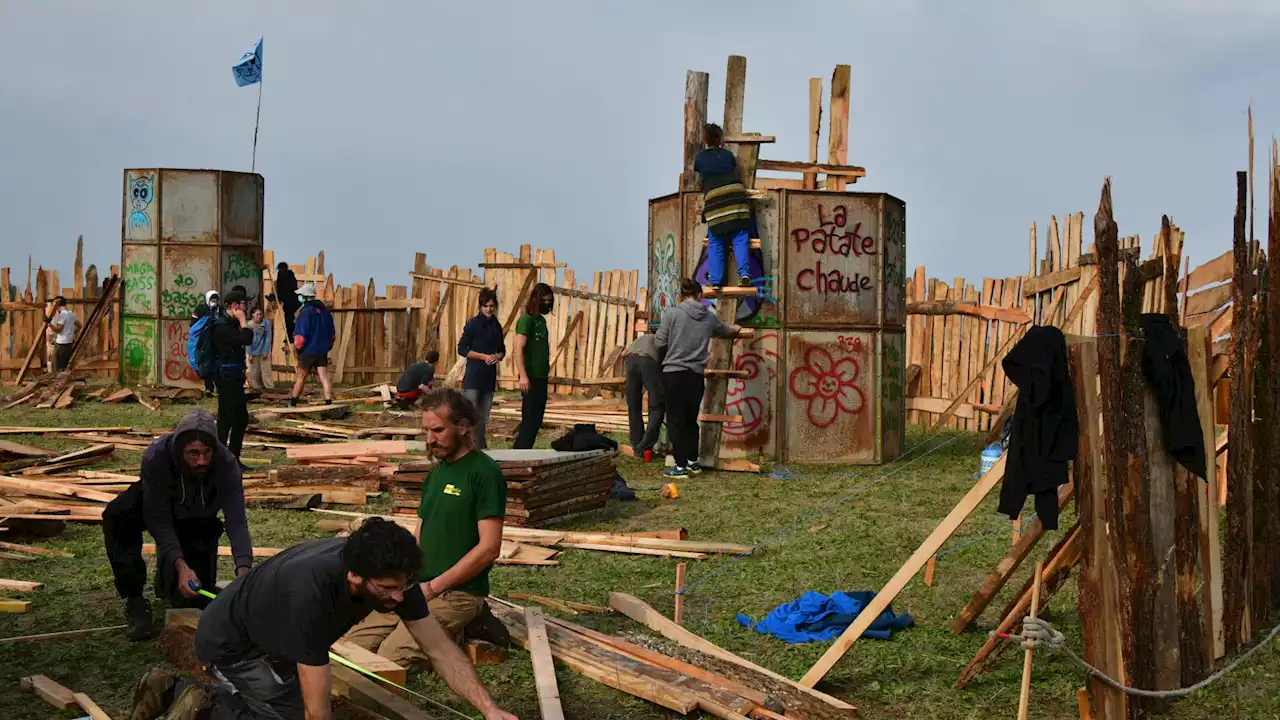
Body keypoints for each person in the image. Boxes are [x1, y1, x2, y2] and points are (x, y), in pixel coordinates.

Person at [124, 518, 517, 720]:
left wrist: (490, 710)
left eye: (405, 585)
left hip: (274, 638)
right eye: (387, 589)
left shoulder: (392, 573)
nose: (400, 598)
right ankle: (190, 699)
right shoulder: (308, 595)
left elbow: (440, 649)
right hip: (231, 646)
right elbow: (317, 711)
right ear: (354, 577)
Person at [345, 389, 506, 667]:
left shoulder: (484, 473)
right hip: (417, 587)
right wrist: (403, 580)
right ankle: (455, 631)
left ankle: (462, 625)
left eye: (438, 430)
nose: (430, 439)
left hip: (458, 593)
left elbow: (489, 548)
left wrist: (433, 587)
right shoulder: (438, 471)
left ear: (463, 426)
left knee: (389, 660)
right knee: (349, 649)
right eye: (427, 431)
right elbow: (420, 532)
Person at [101, 409, 253, 641]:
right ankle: (135, 600)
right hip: (157, 503)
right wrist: (181, 565)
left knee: (193, 593)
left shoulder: (226, 463)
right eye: (193, 453)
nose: (201, 460)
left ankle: (167, 577)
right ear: (180, 450)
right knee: (117, 515)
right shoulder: (157, 456)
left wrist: (244, 572)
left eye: (207, 453)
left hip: (197, 516)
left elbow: (237, 520)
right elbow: (157, 518)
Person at [655, 278, 741, 478]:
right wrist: (737, 328)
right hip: (695, 375)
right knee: (691, 420)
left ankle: (680, 466)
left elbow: (660, 342)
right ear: (700, 296)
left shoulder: (672, 314)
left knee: (675, 420)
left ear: (681, 295)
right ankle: (694, 462)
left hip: (673, 373)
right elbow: (726, 330)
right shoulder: (709, 318)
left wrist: (661, 364)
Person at [694, 123, 752, 288]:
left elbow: (700, 181)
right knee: (740, 237)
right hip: (736, 196)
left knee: (716, 240)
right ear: (720, 139)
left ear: (705, 139)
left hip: (715, 200)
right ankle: (744, 273)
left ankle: (716, 280)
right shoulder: (727, 155)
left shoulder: (700, 158)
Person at [457, 288, 505, 449]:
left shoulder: (497, 326)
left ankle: (480, 449)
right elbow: (462, 348)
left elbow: (502, 350)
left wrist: (497, 357)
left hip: (489, 379)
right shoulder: (473, 324)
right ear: (480, 306)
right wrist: (483, 356)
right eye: (486, 306)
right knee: (469, 417)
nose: (489, 309)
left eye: (491, 306)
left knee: (483, 418)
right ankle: (466, 448)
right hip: (473, 378)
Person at [211, 289, 255, 457]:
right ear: (235, 306)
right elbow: (246, 338)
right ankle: (221, 459)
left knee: (240, 419)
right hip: (226, 376)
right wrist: (244, 321)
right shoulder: (221, 325)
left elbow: (247, 337)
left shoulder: (231, 323)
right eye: (244, 304)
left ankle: (232, 458)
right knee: (226, 419)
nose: (246, 308)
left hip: (234, 374)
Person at [512, 283, 554, 449]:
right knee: (529, 420)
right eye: (545, 300)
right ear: (536, 299)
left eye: (550, 301)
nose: (548, 304)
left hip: (542, 376)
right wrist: (523, 375)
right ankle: (518, 454)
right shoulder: (526, 320)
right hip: (530, 377)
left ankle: (524, 451)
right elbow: (518, 348)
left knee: (536, 420)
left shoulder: (541, 321)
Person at [288, 283, 336, 406]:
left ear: (305, 297)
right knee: (324, 377)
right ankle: (328, 402)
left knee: (301, 376)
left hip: (308, 350)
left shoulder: (305, 312)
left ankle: (293, 402)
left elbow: (300, 335)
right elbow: (332, 335)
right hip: (321, 350)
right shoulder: (325, 312)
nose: (299, 297)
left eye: (300, 295)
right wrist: (327, 347)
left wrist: (298, 348)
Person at [624, 333, 664, 460]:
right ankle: (645, 446)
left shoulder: (643, 338)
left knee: (634, 404)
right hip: (647, 360)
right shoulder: (662, 340)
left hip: (630, 360)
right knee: (657, 406)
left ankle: (637, 445)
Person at [192, 290, 221, 393]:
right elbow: (193, 324)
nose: (214, 302)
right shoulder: (200, 309)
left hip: (216, 341)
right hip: (204, 342)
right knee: (206, 364)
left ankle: (218, 387)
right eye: (212, 300)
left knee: (217, 365)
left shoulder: (219, 310)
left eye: (216, 300)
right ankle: (209, 387)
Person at [245, 306, 273, 391]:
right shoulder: (249, 325)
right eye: (257, 314)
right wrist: (249, 353)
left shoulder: (266, 323)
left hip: (263, 348)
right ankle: (255, 387)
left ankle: (269, 386)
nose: (259, 316)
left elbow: (268, 338)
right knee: (252, 370)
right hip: (252, 348)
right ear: (253, 315)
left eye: (260, 314)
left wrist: (266, 350)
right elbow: (248, 340)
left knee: (266, 370)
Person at [48, 296, 78, 372]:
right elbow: (80, 326)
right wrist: (70, 332)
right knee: (64, 367)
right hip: (69, 344)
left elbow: (58, 329)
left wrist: (49, 324)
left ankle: (56, 383)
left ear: (57, 305)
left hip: (61, 345)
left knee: (56, 368)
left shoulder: (63, 315)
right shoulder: (72, 314)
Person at [275, 262, 300, 351]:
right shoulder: (286, 275)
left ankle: (291, 337)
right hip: (289, 301)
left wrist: (280, 297)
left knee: (290, 320)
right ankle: (290, 336)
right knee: (289, 320)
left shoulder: (287, 276)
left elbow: (286, 289)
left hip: (291, 301)